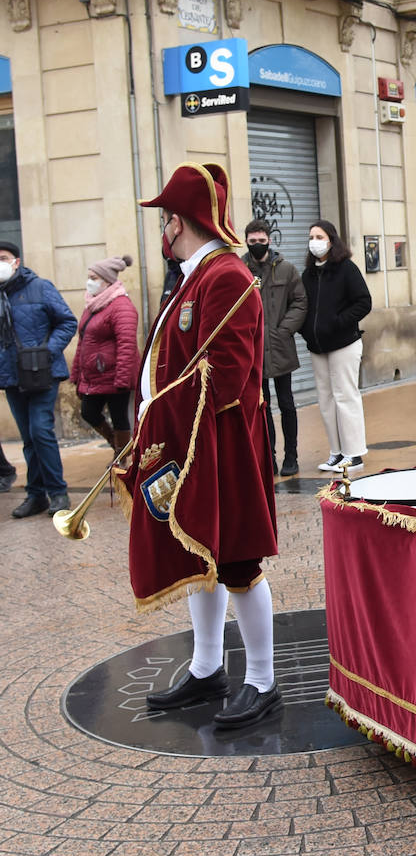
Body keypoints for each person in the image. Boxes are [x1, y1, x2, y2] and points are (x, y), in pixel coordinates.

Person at [120, 163, 280, 729]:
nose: (161, 230)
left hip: (221, 447)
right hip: (190, 445)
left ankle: (261, 678)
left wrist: (154, 416)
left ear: (179, 222)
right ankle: (208, 667)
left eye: (165, 219)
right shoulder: (197, 274)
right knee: (200, 556)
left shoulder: (227, 277)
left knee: (237, 560)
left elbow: (227, 374)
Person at [0, 239, 76, 518]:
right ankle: (36, 495)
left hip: (43, 373)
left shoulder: (40, 287)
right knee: (28, 438)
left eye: (3, 257)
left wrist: (46, 352)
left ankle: (58, 492)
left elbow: (67, 322)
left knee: (40, 431)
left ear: (16, 261)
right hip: (11, 376)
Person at [301, 220, 371, 473]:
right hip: (317, 346)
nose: (314, 241)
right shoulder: (308, 274)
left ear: (331, 240)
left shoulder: (346, 269)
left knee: (345, 396)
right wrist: (306, 329)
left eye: (319, 236)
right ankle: (336, 452)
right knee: (326, 400)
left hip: (344, 343)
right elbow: (302, 306)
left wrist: (338, 322)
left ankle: (354, 453)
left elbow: (363, 302)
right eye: (311, 237)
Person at [242, 219, 307, 477]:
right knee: (262, 406)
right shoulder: (240, 269)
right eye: (252, 241)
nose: (257, 245)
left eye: (261, 240)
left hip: (281, 347)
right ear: (246, 241)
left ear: (269, 239)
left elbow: (300, 302)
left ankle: (292, 456)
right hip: (253, 350)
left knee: (287, 403)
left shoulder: (287, 269)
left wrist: (284, 330)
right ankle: (268, 456)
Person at [71, 253, 138, 462]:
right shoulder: (92, 305)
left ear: (107, 280)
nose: (89, 282)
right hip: (94, 376)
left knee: (120, 418)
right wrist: (76, 373)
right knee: (88, 412)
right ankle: (117, 445)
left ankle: (122, 455)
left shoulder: (121, 306)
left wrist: (122, 378)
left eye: (94, 278)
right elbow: (82, 341)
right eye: (89, 277)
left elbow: (127, 344)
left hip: (115, 375)